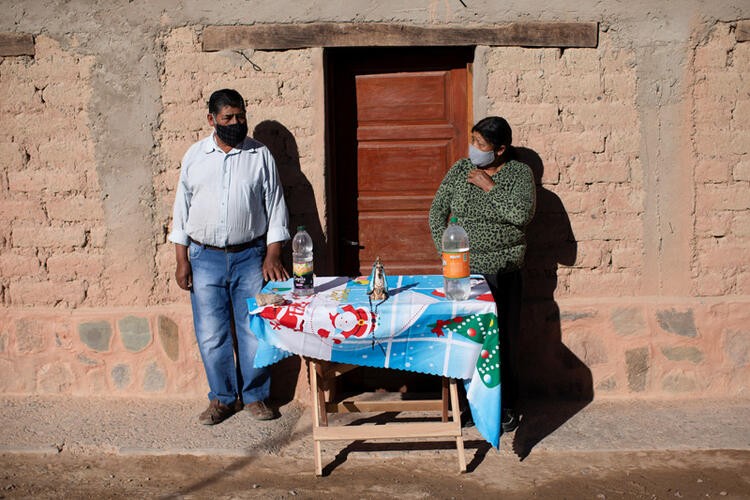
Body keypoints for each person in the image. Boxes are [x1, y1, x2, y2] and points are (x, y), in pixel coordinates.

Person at [169, 88, 290, 425]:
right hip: (203, 257)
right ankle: (222, 399)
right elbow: (181, 212)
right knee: (211, 333)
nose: (236, 123)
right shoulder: (195, 156)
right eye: (228, 118)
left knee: (254, 329)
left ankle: (255, 397)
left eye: (241, 116)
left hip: (250, 256)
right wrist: (182, 260)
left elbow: (276, 207)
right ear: (212, 119)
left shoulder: (260, 155)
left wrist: (273, 254)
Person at [429, 116, 536, 433]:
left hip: (503, 271)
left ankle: (504, 407)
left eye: (481, 144)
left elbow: (521, 216)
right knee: (467, 342)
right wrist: (446, 254)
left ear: (501, 149)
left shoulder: (519, 175)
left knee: (501, 342)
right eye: (472, 140)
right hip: (464, 273)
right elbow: (437, 211)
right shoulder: (461, 170)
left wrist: (490, 188)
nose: (473, 149)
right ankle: (468, 405)